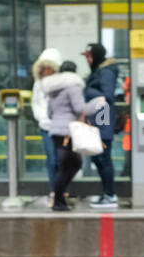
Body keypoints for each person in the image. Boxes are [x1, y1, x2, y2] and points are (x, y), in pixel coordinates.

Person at [44, 60, 103, 211]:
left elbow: (50, 114)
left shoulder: (53, 90)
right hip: (68, 132)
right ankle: (58, 201)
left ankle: (59, 200)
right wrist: (97, 103)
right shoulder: (73, 86)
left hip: (57, 131)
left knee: (67, 166)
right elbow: (80, 109)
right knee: (71, 166)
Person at [82, 42, 119, 208]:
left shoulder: (106, 71)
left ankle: (110, 195)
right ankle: (106, 193)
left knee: (103, 158)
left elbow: (107, 96)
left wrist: (86, 91)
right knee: (98, 158)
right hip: (98, 118)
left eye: (89, 56)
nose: (87, 60)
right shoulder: (100, 71)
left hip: (103, 118)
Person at [30, 48, 64, 206]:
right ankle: (54, 190)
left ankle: (62, 189)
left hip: (62, 127)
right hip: (46, 127)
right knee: (52, 160)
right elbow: (36, 103)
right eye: (44, 68)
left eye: (50, 67)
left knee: (63, 160)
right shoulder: (38, 84)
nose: (47, 71)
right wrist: (42, 118)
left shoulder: (62, 83)